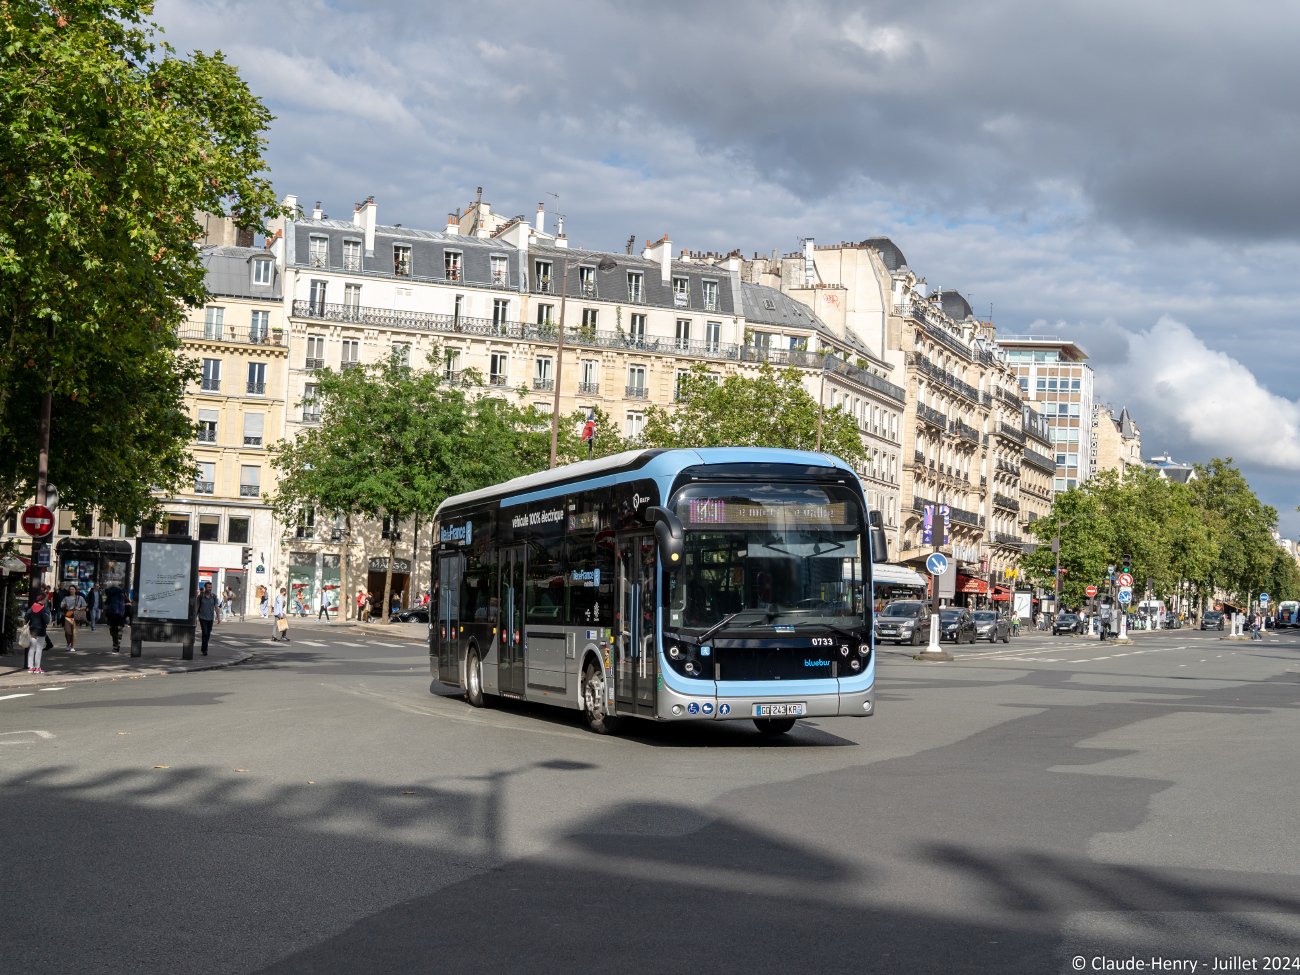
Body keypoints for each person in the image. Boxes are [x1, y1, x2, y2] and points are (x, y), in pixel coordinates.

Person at [25, 586, 51, 674]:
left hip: (32, 629)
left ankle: (30, 667)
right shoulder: (43, 609)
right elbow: (46, 620)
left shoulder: (32, 607)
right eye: (46, 599)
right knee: (39, 648)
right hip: (41, 630)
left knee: (31, 648)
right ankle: (37, 667)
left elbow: (26, 616)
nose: (46, 601)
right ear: (43, 600)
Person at [60, 584, 86, 652]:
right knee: (67, 631)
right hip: (68, 615)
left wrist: (79, 608)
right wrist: (64, 606)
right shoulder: (66, 598)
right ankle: (69, 643)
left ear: (75, 590)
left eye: (73, 589)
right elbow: (61, 605)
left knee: (74, 632)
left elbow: (84, 606)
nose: (71, 590)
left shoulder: (80, 598)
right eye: (70, 589)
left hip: (76, 615)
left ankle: (72, 646)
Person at [104, 582, 128, 653]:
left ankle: (115, 645)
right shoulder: (123, 595)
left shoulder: (110, 596)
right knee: (119, 632)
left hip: (111, 617)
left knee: (113, 631)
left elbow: (106, 604)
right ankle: (116, 646)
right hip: (121, 617)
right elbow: (128, 607)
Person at [196, 582, 218, 656]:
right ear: (205, 588)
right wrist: (195, 617)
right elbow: (197, 607)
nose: (210, 589)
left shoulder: (214, 596)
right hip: (202, 617)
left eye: (211, 587)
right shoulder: (201, 596)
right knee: (204, 633)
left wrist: (218, 617)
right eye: (208, 587)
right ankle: (205, 649)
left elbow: (216, 607)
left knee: (208, 634)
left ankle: (203, 647)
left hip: (210, 618)